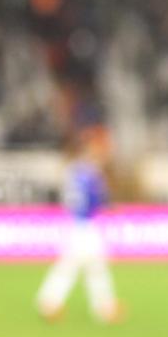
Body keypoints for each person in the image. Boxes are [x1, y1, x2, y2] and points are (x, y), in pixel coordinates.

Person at [35, 133, 125, 325]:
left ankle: (52, 301)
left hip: (75, 222)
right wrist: (109, 204)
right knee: (90, 266)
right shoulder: (91, 173)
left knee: (80, 265)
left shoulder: (73, 170)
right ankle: (101, 307)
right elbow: (98, 200)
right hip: (85, 226)